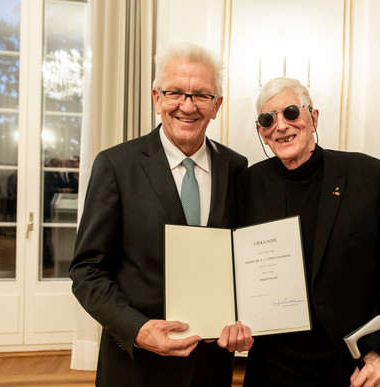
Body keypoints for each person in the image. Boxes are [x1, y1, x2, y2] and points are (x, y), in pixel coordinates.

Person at [69, 42, 252, 387]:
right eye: (175, 92)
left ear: (217, 106)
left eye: (201, 95)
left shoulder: (237, 168)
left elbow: (242, 261)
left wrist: (246, 317)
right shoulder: (116, 166)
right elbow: (87, 270)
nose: (187, 105)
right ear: (156, 98)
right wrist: (137, 330)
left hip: (210, 367)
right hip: (136, 367)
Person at [237, 77, 380, 387]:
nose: (281, 125)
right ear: (262, 133)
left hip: (349, 365)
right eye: (268, 119)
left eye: (291, 112)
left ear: (314, 118)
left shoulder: (369, 177)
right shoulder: (248, 183)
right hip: (271, 365)